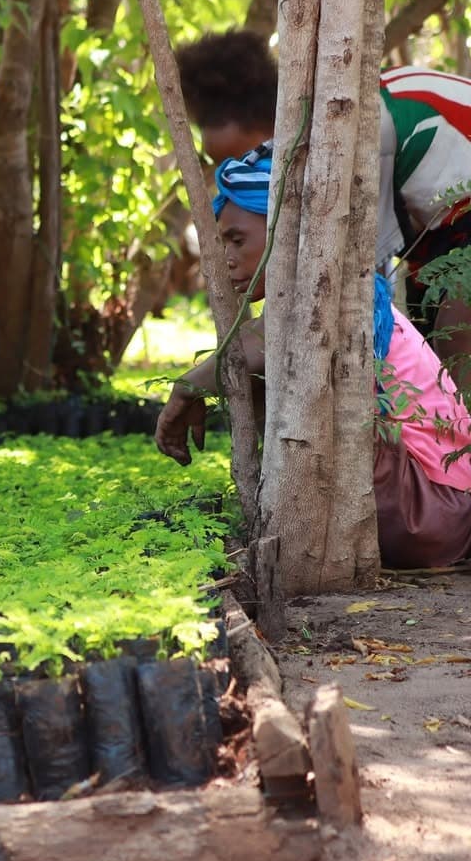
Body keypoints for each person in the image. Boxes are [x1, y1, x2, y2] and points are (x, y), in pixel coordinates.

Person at [155, 146, 471, 568]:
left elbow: (260, 341)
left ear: (286, 234)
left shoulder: (332, 295)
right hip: (434, 509)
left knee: (270, 369)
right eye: (220, 241)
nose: (225, 258)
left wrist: (186, 388)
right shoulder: (348, 292)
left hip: (429, 508)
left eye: (237, 240)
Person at [175, 30, 471, 379]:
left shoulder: (355, 140)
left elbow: (347, 280)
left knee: (456, 337)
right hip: (448, 234)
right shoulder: (329, 123)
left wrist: (195, 382)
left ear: (283, 131)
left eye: (256, 160)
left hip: (456, 234)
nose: (248, 176)